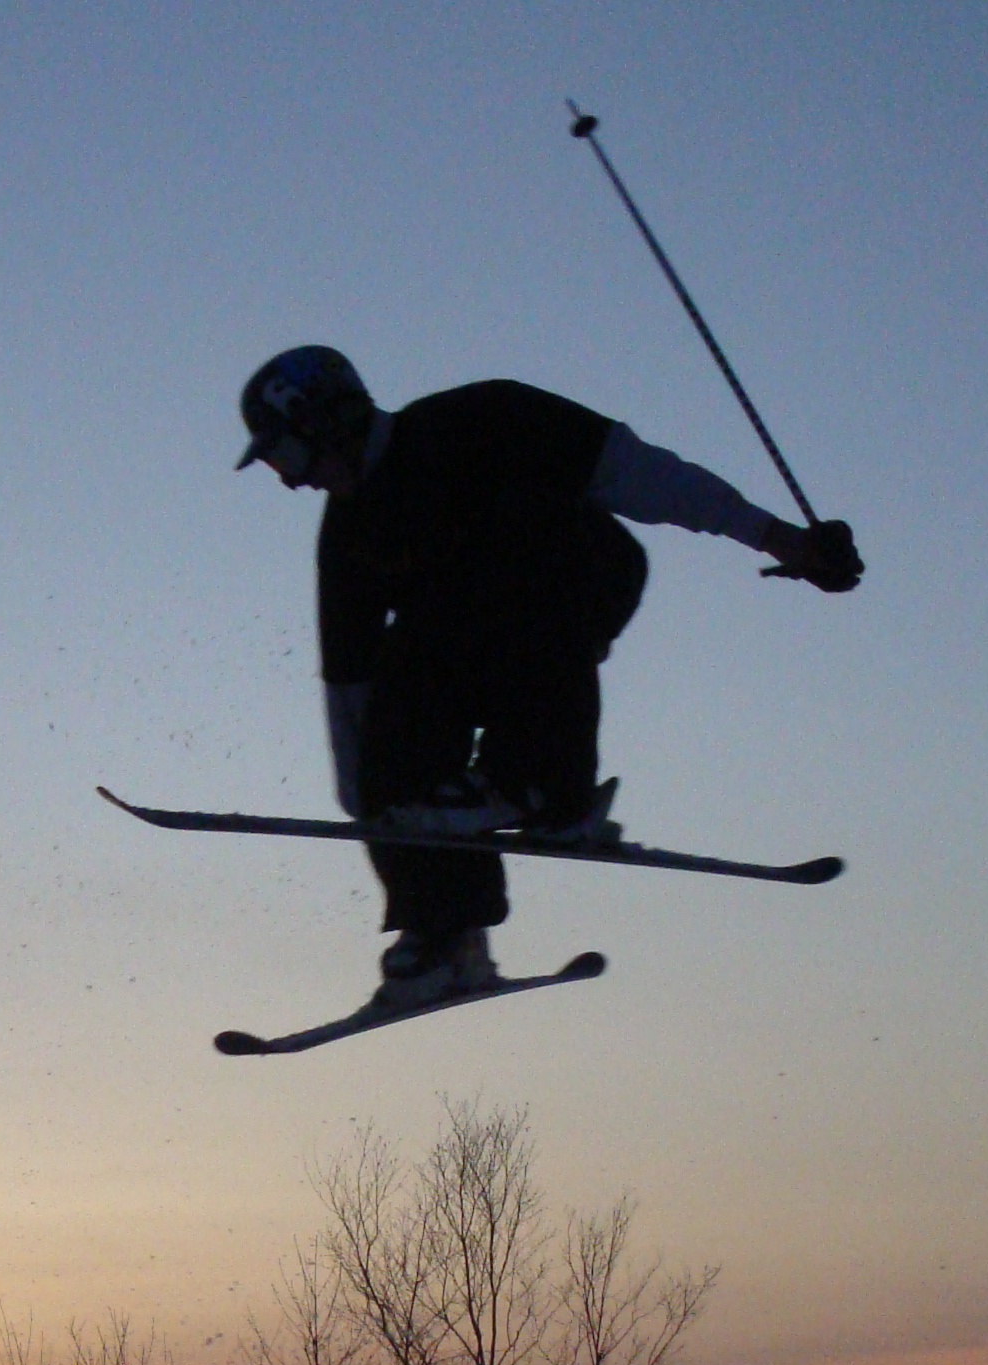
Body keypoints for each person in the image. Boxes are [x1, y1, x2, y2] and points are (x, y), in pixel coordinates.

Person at [235, 346, 862, 1003]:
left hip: (577, 577)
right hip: (469, 639)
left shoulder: (486, 419)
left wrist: (783, 539)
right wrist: (374, 801)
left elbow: (647, 477)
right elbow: (350, 686)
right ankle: (446, 934)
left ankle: (543, 782)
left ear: (330, 420)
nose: (292, 481)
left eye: (289, 457)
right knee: (397, 713)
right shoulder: (348, 537)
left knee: (504, 565)